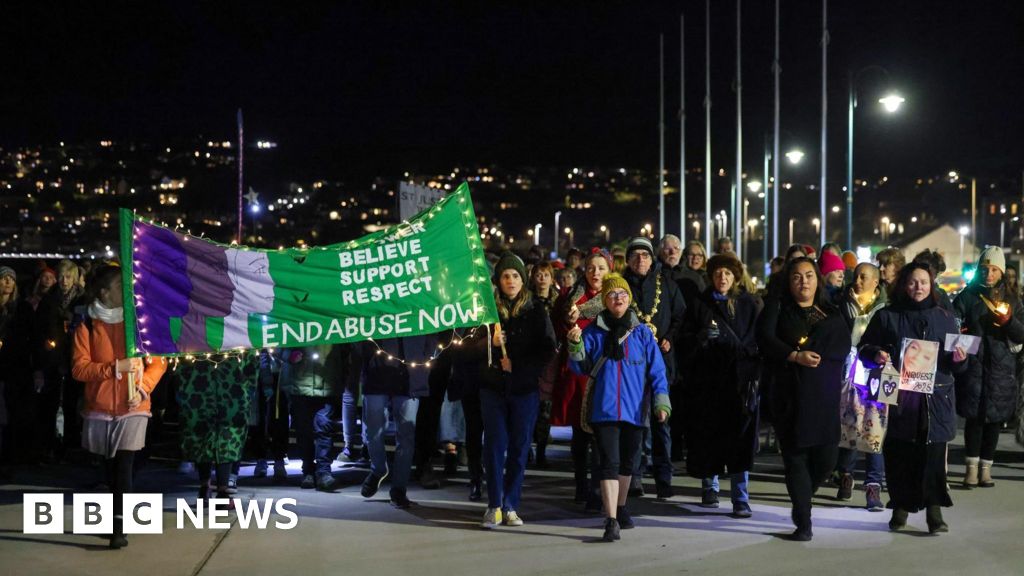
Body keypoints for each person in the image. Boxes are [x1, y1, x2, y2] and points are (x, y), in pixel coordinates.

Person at [859, 262, 967, 533]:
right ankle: (901, 506)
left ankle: (934, 510)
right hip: (900, 396)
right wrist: (876, 354)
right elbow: (864, 348)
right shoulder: (888, 316)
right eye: (912, 282)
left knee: (933, 455)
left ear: (931, 285)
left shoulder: (944, 317)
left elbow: (956, 363)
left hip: (935, 398)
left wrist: (959, 359)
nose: (918, 287)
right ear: (903, 285)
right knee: (900, 453)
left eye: (924, 282)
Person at [568, 273, 671, 542]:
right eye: (612, 294)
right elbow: (579, 367)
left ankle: (621, 507)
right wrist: (575, 345)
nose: (618, 298)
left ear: (629, 298)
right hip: (604, 410)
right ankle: (611, 519)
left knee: (628, 463)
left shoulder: (642, 333)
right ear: (605, 300)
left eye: (622, 294)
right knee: (609, 464)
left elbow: (657, 371)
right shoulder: (593, 332)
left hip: (635, 410)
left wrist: (661, 401)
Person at [70, 265, 167, 549]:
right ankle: (113, 518)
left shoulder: (138, 324)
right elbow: (79, 368)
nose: (126, 291)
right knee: (109, 469)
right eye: (118, 286)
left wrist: (143, 387)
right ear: (104, 293)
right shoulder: (87, 325)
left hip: (134, 406)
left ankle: (118, 526)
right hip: (99, 408)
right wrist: (113, 368)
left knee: (125, 465)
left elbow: (158, 362)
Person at [756, 257, 851, 541]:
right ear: (788, 281)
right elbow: (765, 339)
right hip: (790, 396)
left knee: (826, 459)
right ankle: (803, 521)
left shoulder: (830, 312)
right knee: (795, 458)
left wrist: (818, 351)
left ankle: (805, 495)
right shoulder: (778, 308)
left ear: (817, 279)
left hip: (823, 397)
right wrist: (794, 355)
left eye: (809, 275)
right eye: (796, 276)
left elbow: (842, 345)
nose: (803, 282)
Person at [473, 252, 556, 528]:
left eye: (515, 276)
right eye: (506, 276)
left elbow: (547, 349)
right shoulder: (486, 311)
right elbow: (466, 349)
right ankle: (494, 504)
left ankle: (511, 505)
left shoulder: (536, 310)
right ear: (498, 280)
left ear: (523, 280)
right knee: (494, 446)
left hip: (524, 390)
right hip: (492, 388)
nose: (511, 280)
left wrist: (518, 366)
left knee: (519, 448)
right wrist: (490, 343)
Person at [680, 254, 760, 516]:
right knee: (710, 436)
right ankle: (710, 487)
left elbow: (758, 339)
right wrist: (701, 338)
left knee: (740, 440)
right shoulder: (700, 304)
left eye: (727, 273)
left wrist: (751, 362)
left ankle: (740, 497)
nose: (722, 278)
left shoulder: (748, 304)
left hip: (740, 381)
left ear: (735, 276)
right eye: (717, 273)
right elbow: (685, 340)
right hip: (709, 383)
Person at [952, 246, 1024, 489]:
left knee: (994, 420)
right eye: (985, 269)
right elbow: (953, 324)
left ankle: (986, 469)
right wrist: (960, 331)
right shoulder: (967, 297)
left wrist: (1009, 322)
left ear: (1001, 272)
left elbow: (1022, 334)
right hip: (973, 366)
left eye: (994, 269)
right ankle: (971, 469)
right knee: (974, 420)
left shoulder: (1013, 300)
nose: (989, 274)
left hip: (1002, 370)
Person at [622, 236, 685, 499]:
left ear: (652, 259)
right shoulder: (620, 286)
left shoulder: (666, 284)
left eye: (645, 255)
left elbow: (680, 316)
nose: (641, 260)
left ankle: (663, 477)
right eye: (635, 255)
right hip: (630, 366)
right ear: (628, 260)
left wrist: (670, 337)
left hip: (661, 362)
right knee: (634, 422)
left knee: (661, 421)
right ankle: (634, 476)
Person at [551, 248, 612, 509]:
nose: (595, 273)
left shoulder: (615, 296)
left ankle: (598, 492)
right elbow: (556, 329)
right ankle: (580, 485)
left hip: (603, 373)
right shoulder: (570, 297)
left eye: (601, 268)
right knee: (579, 435)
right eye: (590, 268)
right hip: (577, 373)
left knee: (600, 435)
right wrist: (567, 321)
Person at [356, 336, 437, 508]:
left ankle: (399, 489)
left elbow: (433, 335)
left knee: (406, 437)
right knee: (373, 431)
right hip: (377, 372)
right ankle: (378, 469)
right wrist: (367, 354)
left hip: (410, 375)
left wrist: (425, 357)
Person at [835, 263, 888, 510]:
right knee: (851, 422)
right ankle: (845, 474)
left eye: (863, 277)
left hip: (877, 371)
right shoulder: (841, 304)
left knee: (875, 426)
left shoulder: (885, 308)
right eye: (855, 276)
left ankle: (873, 485)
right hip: (848, 370)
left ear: (875, 282)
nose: (857, 281)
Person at [176, 352, 258, 498]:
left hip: (221, 390)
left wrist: (248, 387)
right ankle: (216, 491)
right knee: (212, 438)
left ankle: (211, 489)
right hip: (221, 390)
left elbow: (251, 360)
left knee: (220, 438)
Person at [33, 259, 86, 462]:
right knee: (51, 403)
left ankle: (71, 444)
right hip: (53, 358)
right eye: (61, 276)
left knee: (73, 403)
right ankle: (50, 444)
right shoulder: (49, 300)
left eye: (68, 277)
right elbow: (39, 328)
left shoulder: (82, 300)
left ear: (74, 278)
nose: (64, 281)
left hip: (77, 356)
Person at [282, 345, 349, 492]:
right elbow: (280, 345)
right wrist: (289, 356)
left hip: (327, 384)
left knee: (323, 428)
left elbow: (346, 351)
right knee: (304, 431)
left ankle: (323, 472)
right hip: (301, 386)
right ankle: (308, 471)